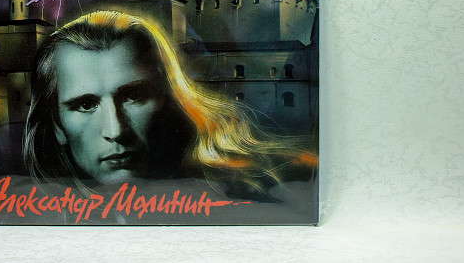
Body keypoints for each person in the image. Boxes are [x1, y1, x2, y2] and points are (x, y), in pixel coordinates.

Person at [24, 10, 314, 196]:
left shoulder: (272, 190)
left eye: (134, 96)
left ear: (168, 98)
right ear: (57, 125)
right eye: (86, 105)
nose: (116, 130)